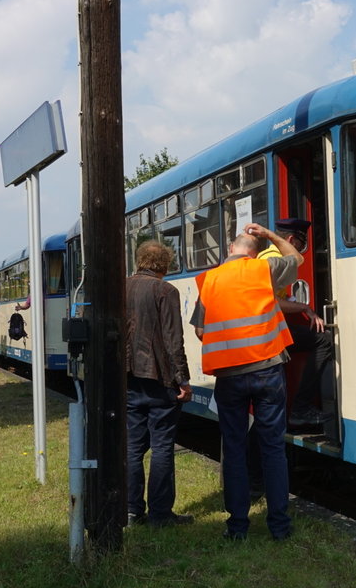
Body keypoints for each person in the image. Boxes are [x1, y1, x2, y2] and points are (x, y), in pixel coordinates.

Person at [193, 223, 302, 541]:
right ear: (254, 253)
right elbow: (296, 258)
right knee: (272, 449)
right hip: (267, 371)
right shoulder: (263, 270)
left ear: (230, 249)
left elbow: (201, 331)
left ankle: (237, 527)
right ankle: (279, 527)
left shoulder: (209, 280)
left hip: (229, 376)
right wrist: (271, 235)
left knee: (235, 449)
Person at [125, 239, 194, 528]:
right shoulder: (166, 290)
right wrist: (183, 379)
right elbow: (172, 339)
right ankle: (160, 514)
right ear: (165, 264)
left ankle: (130, 509)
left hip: (128, 378)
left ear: (139, 261)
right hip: (160, 379)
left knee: (131, 446)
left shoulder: (121, 288)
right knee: (163, 446)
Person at [256, 218, 336, 430]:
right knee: (323, 340)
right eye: (301, 244)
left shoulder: (265, 256)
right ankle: (301, 408)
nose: (301, 249)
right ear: (291, 240)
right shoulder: (276, 259)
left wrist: (294, 302)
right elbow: (271, 301)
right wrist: (305, 308)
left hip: (265, 329)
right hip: (267, 331)